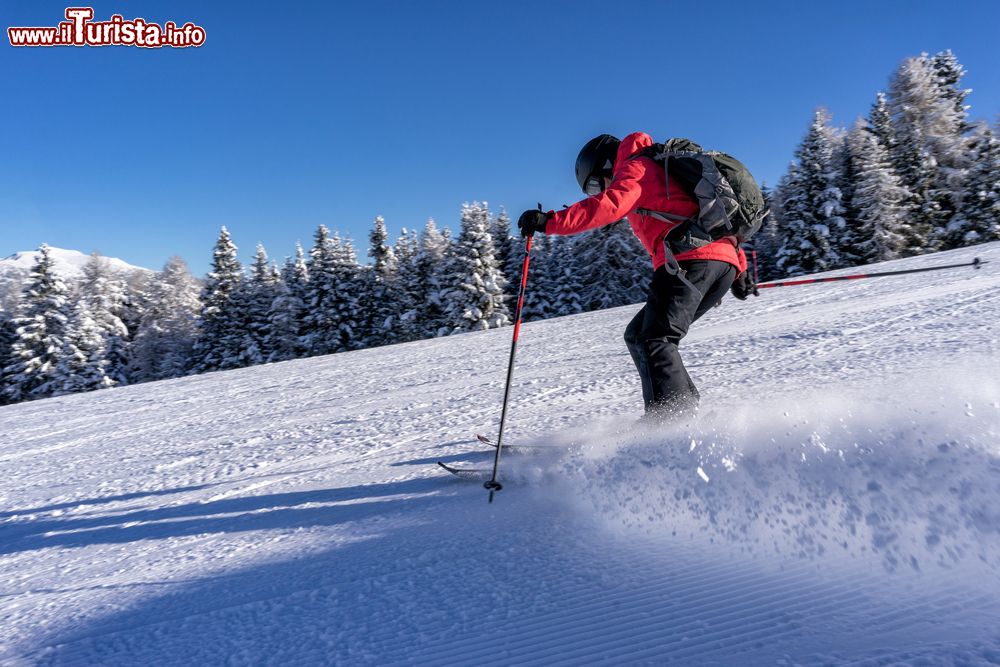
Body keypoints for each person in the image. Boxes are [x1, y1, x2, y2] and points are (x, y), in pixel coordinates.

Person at [517, 132, 756, 420]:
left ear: (605, 164)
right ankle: (679, 412)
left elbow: (609, 204)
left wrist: (550, 221)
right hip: (719, 263)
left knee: (654, 339)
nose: (597, 191)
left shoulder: (636, 167)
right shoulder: (658, 168)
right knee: (638, 334)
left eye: (594, 184)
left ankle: (670, 424)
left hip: (690, 261)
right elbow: (705, 219)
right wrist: (739, 270)